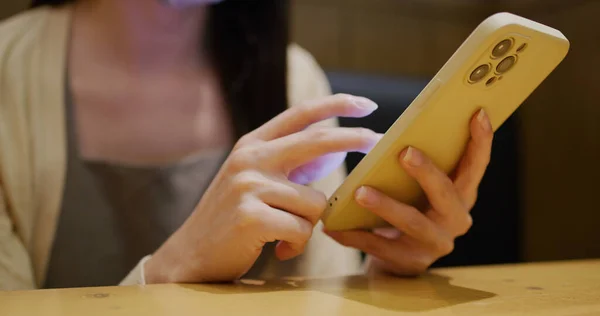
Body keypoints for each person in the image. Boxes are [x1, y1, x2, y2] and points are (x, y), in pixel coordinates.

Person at [0, 0, 493, 290]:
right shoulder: (10, 71)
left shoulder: (293, 80)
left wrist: (384, 268)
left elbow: (321, 293)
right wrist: (174, 269)